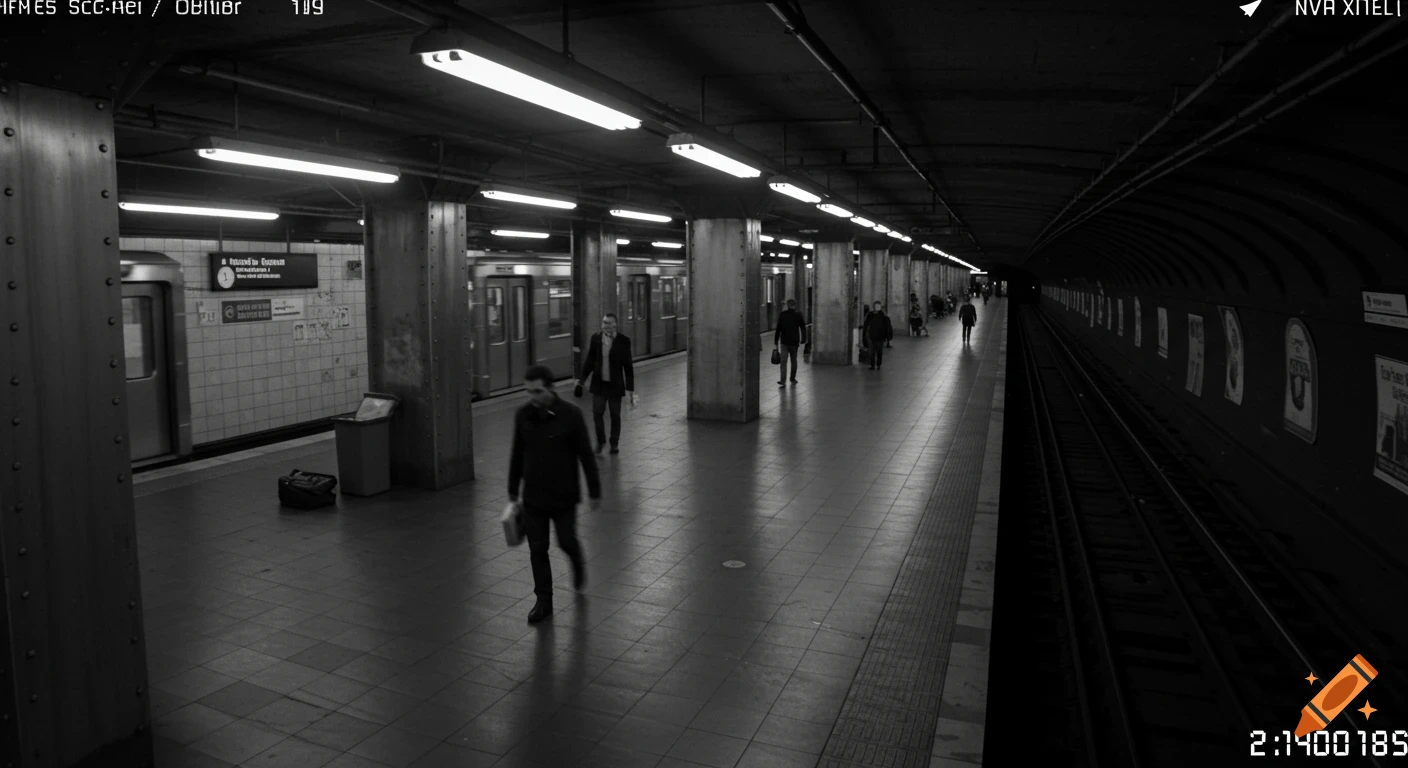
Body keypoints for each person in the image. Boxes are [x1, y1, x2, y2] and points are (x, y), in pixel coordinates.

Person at [508, 365, 601, 623]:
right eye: (529, 392)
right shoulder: (523, 415)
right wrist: (512, 489)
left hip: (564, 496)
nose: (533, 397)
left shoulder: (571, 415)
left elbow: (585, 454)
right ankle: (543, 600)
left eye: (537, 391)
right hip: (533, 498)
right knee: (538, 549)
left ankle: (577, 559)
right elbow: (517, 453)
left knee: (566, 540)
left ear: (551, 388)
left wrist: (594, 490)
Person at [576, 313, 636, 455]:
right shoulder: (595, 338)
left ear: (616, 324)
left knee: (615, 415)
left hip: (615, 386)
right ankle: (600, 441)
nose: (607, 326)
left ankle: (614, 443)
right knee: (597, 413)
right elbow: (590, 361)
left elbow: (628, 366)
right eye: (604, 323)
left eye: (610, 323)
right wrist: (581, 381)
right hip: (599, 385)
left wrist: (630, 389)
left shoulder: (623, 341)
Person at [774, 298, 807, 386]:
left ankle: (783, 381)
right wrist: (803, 339)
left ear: (787, 305)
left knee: (783, 361)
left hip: (784, 342)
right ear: (794, 305)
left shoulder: (783, 314)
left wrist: (776, 341)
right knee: (793, 361)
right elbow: (803, 327)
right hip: (794, 342)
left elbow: (778, 329)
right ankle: (792, 378)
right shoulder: (798, 315)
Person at [862, 300, 892, 370]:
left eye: (879, 306)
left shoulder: (883, 316)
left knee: (879, 351)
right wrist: (865, 335)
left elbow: (887, 327)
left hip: (880, 337)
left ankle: (878, 364)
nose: (877, 307)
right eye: (876, 306)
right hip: (871, 336)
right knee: (871, 352)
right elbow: (866, 325)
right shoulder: (870, 315)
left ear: (880, 307)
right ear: (874, 307)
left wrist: (887, 337)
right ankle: (872, 365)